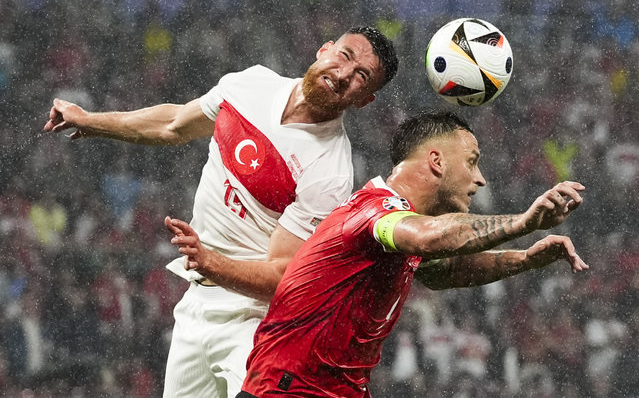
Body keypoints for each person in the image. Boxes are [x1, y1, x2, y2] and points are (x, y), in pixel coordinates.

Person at [43, 26, 399, 397]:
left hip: (254, 322)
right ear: (324, 49)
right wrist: (90, 121)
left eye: (362, 76)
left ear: (365, 100)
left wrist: (210, 261)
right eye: (344, 56)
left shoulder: (330, 172)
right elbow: (174, 124)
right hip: (196, 304)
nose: (343, 75)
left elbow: (282, 276)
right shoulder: (252, 83)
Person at [190, 110, 585, 398]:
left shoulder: (399, 227)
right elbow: (430, 239)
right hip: (288, 391)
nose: (480, 178)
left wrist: (525, 259)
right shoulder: (374, 212)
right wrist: (523, 222)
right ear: (436, 161)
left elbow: (440, 269)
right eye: (472, 162)